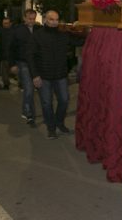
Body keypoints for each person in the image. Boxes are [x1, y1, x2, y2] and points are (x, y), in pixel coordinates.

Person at [28, 10, 85, 139]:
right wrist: (35, 75)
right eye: (51, 19)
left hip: (60, 75)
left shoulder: (63, 34)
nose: (54, 22)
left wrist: (92, 32)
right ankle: (51, 127)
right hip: (43, 76)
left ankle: (59, 122)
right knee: (47, 103)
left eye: (56, 19)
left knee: (64, 101)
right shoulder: (37, 36)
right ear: (45, 20)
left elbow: (79, 41)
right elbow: (30, 56)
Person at [10, 9, 40, 126]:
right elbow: (11, 48)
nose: (31, 21)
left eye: (33, 18)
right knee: (29, 89)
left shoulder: (39, 29)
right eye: (29, 18)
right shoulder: (17, 30)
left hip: (37, 63)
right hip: (23, 63)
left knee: (38, 90)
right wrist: (12, 64)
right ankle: (29, 114)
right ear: (24, 18)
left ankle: (29, 110)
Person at [0, 17, 13, 90]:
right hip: (4, 54)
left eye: (7, 23)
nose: (5, 25)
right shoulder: (0, 32)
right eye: (4, 23)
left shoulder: (14, 32)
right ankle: (6, 84)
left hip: (12, 55)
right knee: (4, 71)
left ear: (10, 24)